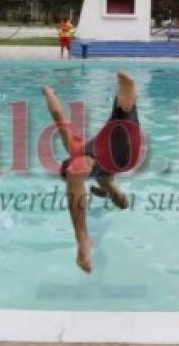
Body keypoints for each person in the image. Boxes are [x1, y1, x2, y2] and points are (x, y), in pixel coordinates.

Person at [42, 72, 142, 273]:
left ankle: (84, 238)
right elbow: (57, 114)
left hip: (116, 160)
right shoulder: (77, 153)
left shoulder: (81, 158)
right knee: (123, 113)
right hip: (124, 153)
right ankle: (86, 237)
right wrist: (49, 93)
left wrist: (49, 93)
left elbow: (57, 114)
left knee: (102, 177)